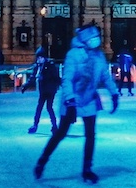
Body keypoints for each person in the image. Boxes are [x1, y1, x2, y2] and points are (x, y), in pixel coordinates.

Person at [34, 24, 119, 183]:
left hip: (89, 100)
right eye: (93, 38)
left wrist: (114, 93)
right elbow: (67, 80)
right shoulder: (73, 55)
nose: (96, 41)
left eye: (97, 38)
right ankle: (42, 161)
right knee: (61, 133)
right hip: (72, 100)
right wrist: (70, 101)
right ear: (86, 39)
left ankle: (87, 169)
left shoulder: (98, 56)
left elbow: (105, 77)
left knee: (90, 135)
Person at [21, 46, 61, 134]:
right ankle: (35, 125)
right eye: (38, 57)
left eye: (40, 57)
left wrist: (44, 78)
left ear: (44, 57)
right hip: (43, 91)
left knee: (49, 107)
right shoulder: (37, 66)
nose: (39, 59)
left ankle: (54, 126)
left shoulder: (50, 65)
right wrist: (25, 86)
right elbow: (32, 78)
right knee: (39, 108)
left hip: (50, 90)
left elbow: (55, 77)